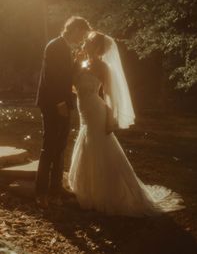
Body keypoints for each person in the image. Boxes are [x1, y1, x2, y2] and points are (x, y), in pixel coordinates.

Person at [69, 32, 184, 216]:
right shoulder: (81, 63)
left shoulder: (103, 67)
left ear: (97, 47)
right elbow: (74, 87)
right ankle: (88, 190)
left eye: (89, 42)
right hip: (84, 111)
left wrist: (111, 119)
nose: (85, 44)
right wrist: (76, 64)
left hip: (96, 111)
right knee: (88, 144)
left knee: (97, 145)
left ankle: (105, 194)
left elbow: (109, 95)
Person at [35, 16, 91, 208]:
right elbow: (51, 78)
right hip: (52, 103)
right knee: (49, 146)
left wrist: (78, 63)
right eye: (82, 33)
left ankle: (56, 189)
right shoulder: (55, 45)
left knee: (60, 147)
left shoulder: (68, 48)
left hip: (64, 103)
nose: (82, 38)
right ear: (74, 29)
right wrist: (59, 103)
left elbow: (68, 77)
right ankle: (41, 192)